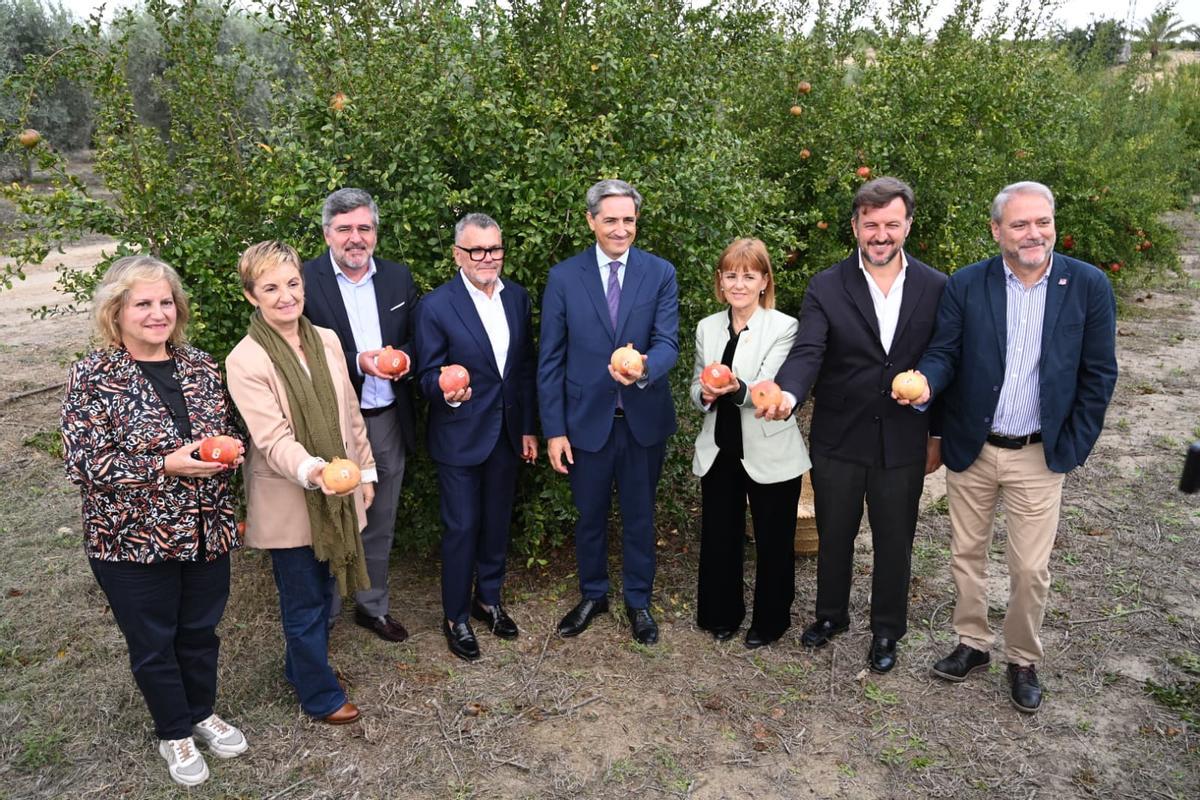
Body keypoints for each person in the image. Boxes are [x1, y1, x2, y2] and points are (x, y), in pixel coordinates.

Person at [901, 181, 1117, 712]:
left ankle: (1022, 657)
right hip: (973, 445)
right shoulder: (968, 284)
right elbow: (946, 353)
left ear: (1053, 224)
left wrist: (1074, 444)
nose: (1033, 233)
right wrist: (926, 384)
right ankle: (971, 643)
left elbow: (1098, 374)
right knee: (966, 554)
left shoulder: (1087, 285)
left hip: (1039, 453)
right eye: (1019, 224)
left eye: (1041, 222)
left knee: (1028, 567)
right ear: (997, 230)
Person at [61, 256, 247, 786]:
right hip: (130, 539)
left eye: (165, 302)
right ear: (117, 312)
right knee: (153, 640)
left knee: (200, 631)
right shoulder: (93, 375)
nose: (157, 313)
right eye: (143, 303)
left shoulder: (201, 367)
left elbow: (229, 433)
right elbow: (83, 462)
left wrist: (230, 451)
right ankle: (175, 732)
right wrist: (163, 464)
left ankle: (201, 711)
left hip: (206, 527)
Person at [762, 177, 947, 673]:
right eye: (871, 225)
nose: (881, 234)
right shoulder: (827, 285)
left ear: (908, 225)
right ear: (855, 227)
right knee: (834, 533)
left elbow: (945, 357)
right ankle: (830, 616)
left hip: (902, 439)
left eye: (891, 224)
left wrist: (937, 433)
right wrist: (787, 392)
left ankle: (887, 630)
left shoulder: (936, 286)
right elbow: (809, 352)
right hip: (839, 437)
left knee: (894, 540)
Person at [226, 241, 377, 725]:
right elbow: (271, 437)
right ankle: (319, 694)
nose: (285, 296)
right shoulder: (246, 360)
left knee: (324, 588)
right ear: (252, 296)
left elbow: (349, 412)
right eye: (270, 288)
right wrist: (315, 472)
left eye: (292, 284)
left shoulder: (327, 340)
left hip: (341, 484)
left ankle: (300, 666)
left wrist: (366, 471)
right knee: (305, 598)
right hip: (291, 496)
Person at [538, 179, 680, 645]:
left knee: (640, 517)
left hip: (642, 420)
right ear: (591, 221)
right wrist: (554, 430)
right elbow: (551, 360)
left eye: (629, 220)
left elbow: (668, 344)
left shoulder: (659, 273)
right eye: (611, 219)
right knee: (589, 516)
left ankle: (638, 600)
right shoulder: (564, 277)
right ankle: (593, 594)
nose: (621, 229)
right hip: (585, 423)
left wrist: (643, 368)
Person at [414, 213, 538, 661]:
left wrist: (527, 428)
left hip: (506, 434)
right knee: (462, 526)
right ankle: (455, 616)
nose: (488, 259)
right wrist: (446, 390)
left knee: (496, 523)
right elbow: (425, 376)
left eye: (495, 249)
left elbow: (523, 369)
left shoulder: (518, 299)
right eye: (476, 250)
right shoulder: (436, 306)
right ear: (457, 254)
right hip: (460, 435)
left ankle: (488, 600)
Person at [302, 188, 417, 644]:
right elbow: (301, 352)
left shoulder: (397, 278)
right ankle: (325, 609)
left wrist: (403, 359)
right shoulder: (306, 281)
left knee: (381, 514)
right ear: (328, 232)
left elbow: (416, 338)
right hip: (327, 420)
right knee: (328, 513)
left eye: (364, 228)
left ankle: (372, 605)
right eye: (345, 228)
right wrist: (357, 362)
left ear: (375, 232)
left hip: (386, 414)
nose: (355, 238)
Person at [691, 238, 809, 649]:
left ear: (764, 282)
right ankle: (721, 614)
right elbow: (696, 381)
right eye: (730, 275)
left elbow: (766, 385)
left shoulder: (784, 327)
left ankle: (770, 620)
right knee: (720, 535)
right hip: (720, 445)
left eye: (748, 275)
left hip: (768, 447)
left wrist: (730, 384)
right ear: (720, 282)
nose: (738, 284)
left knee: (774, 538)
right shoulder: (707, 327)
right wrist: (703, 394)